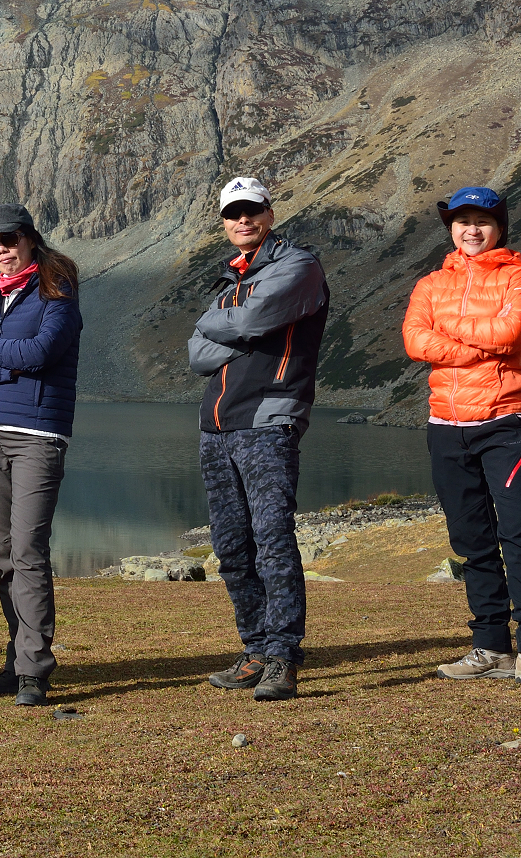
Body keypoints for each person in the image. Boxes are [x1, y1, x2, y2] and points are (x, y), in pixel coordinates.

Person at [403, 187, 521, 685]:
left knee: (519, 532)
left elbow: (512, 334)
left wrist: (450, 330)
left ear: (499, 228)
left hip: (505, 423)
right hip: (446, 427)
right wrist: (479, 343)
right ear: (451, 228)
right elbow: (414, 340)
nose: (471, 230)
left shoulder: (519, 277)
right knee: (472, 541)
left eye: (482, 221)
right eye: (462, 221)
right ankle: (491, 646)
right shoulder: (431, 283)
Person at [187, 176, 329, 703]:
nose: (242, 220)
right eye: (233, 213)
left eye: (252, 210)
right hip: (217, 426)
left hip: (269, 420)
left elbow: (251, 322)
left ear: (270, 214)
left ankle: (283, 656)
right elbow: (198, 354)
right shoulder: (231, 280)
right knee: (232, 547)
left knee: (272, 540)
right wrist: (236, 327)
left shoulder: (299, 266)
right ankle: (255, 649)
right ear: (224, 222)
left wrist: (222, 323)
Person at [0, 204, 83, 708]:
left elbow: (41, 353)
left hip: (37, 435)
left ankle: (34, 670)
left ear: (29, 238)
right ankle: (17, 661)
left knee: (28, 551)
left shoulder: (58, 291)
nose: (0, 250)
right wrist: (9, 362)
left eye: (8, 240)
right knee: (3, 554)